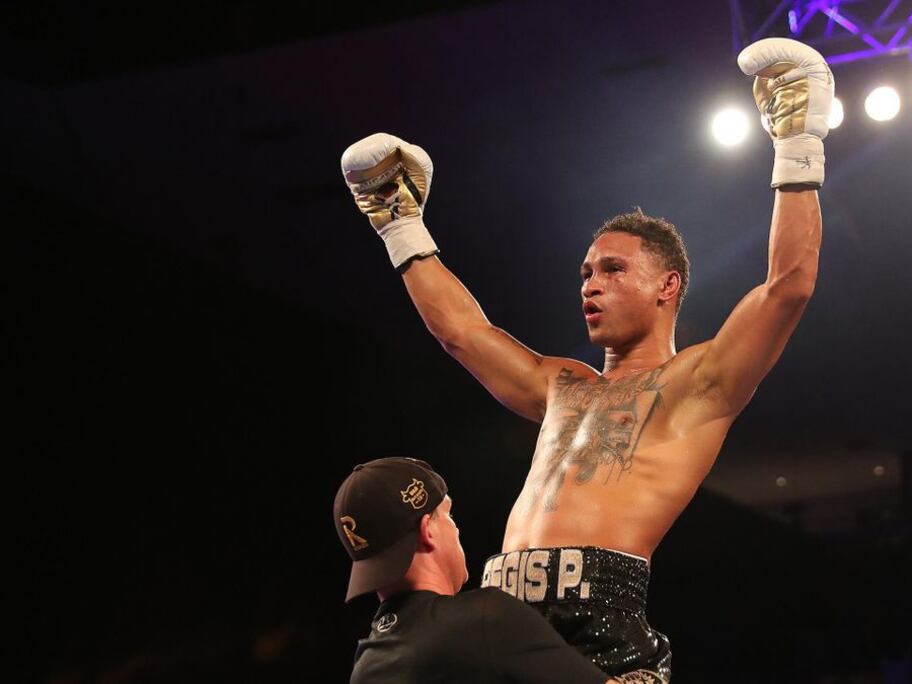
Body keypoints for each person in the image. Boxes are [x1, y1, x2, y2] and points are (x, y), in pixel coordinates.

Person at [339, 38, 834, 683]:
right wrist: (399, 225)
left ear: (667, 286)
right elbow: (462, 333)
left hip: (598, 629)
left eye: (612, 270)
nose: (590, 285)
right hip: (500, 621)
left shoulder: (698, 383)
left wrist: (797, 137)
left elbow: (787, 287)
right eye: (585, 273)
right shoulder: (560, 384)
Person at [334, 457, 617, 684]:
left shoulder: (365, 665)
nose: (455, 528)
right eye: (449, 515)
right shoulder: (485, 619)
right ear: (427, 530)